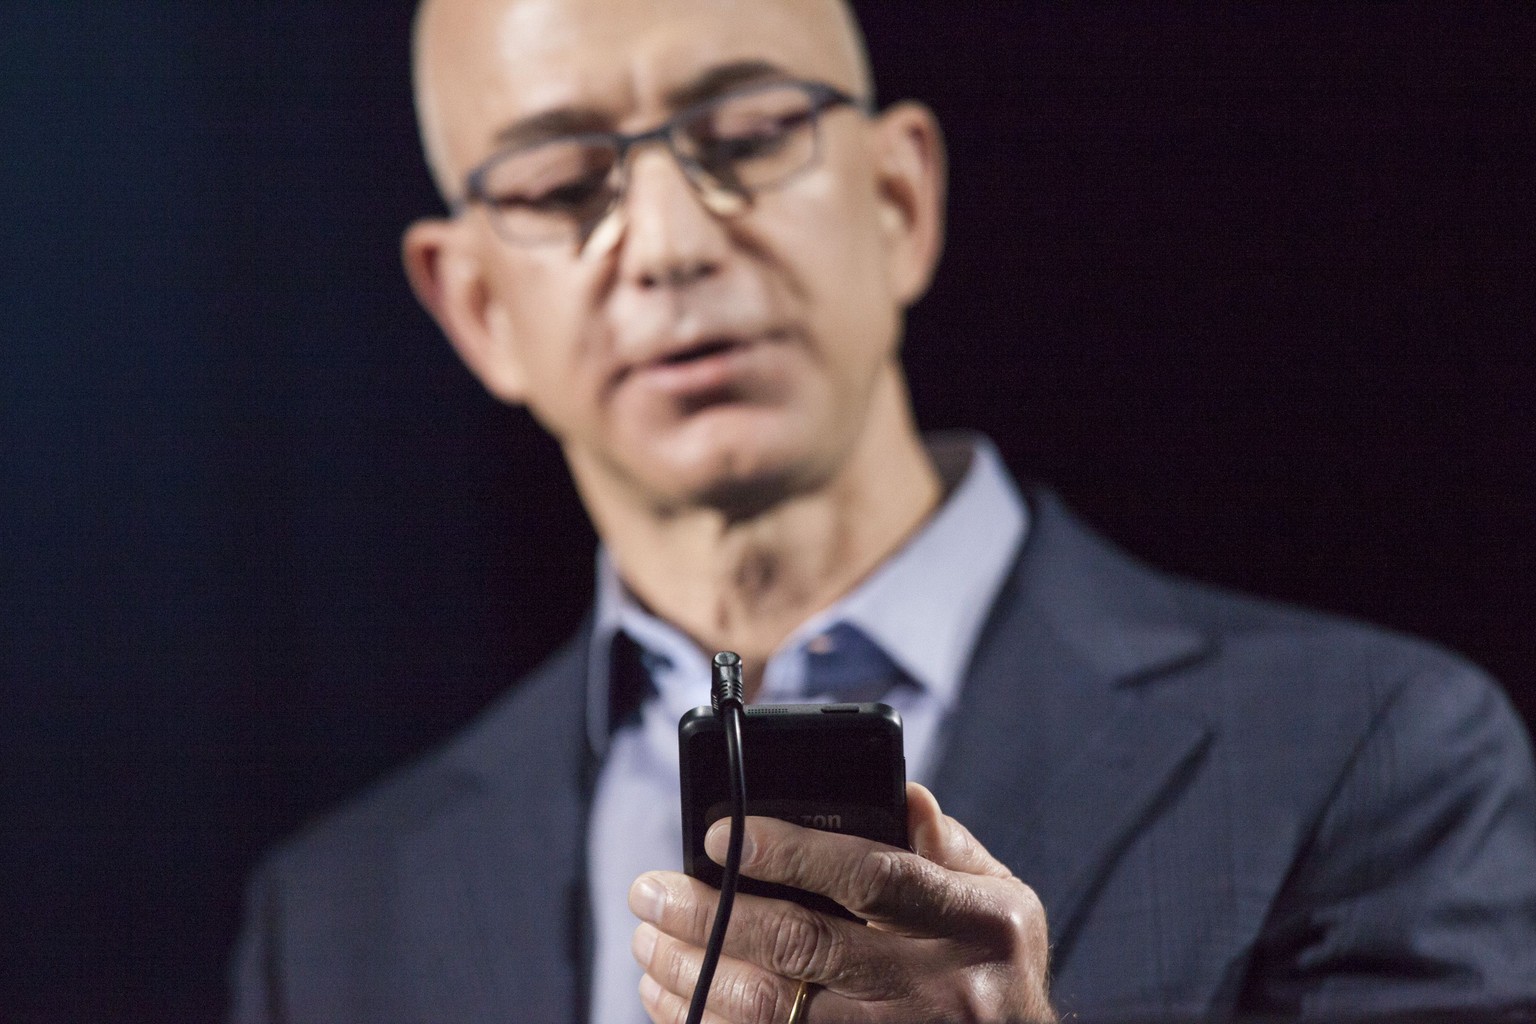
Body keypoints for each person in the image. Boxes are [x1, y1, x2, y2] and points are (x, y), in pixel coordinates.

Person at [229, 0, 1536, 1021]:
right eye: (566, 186)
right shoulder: (337, 920)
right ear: (476, 308)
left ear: (900, 199)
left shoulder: (1374, 755)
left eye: (746, 137)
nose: (672, 244)